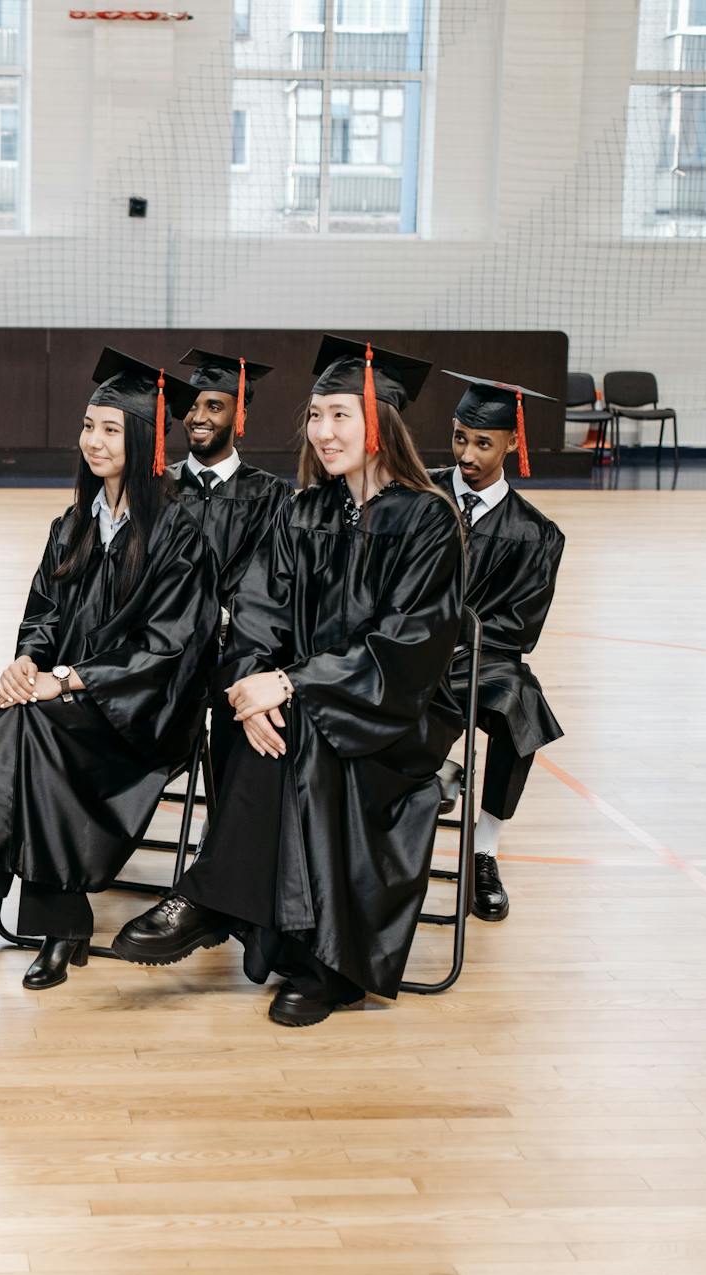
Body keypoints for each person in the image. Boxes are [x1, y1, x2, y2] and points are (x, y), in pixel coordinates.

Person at [112, 336, 464, 1027]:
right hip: (300, 701)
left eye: (342, 416)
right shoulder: (301, 513)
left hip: (392, 713)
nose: (324, 432)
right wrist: (250, 687)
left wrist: (295, 685)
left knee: (300, 729)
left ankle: (241, 912)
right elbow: (253, 615)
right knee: (256, 720)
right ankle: (302, 955)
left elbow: (410, 646)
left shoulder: (429, 522)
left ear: (382, 426)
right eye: (316, 415)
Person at [0, 349, 218, 990]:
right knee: (17, 716)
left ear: (145, 441)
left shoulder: (180, 534)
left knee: (26, 724)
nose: (92, 441)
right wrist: (25, 665)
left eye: (109, 429)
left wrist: (67, 680)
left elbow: (169, 647)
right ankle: (55, 920)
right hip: (69, 706)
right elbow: (42, 613)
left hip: (142, 713)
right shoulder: (72, 524)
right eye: (88, 426)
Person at [428, 372, 566, 923]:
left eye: (483, 442)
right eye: (460, 437)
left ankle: (485, 847)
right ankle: (432, 772)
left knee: (521, 704)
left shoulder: (537, 534)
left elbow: (519, 630)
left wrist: (453, 638)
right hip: (403, 654)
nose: (467, 453)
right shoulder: (419, 494)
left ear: (513, 442)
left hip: (476, 663)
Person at [169, 347, 295, 785]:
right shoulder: (156, 486)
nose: (198, 416)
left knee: (246, 682)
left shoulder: (272, 494)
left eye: (214, 406)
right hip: (164, 643)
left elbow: (267, 577)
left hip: (233, 643)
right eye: (192, 405)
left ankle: (221, 821)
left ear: (239, 416)